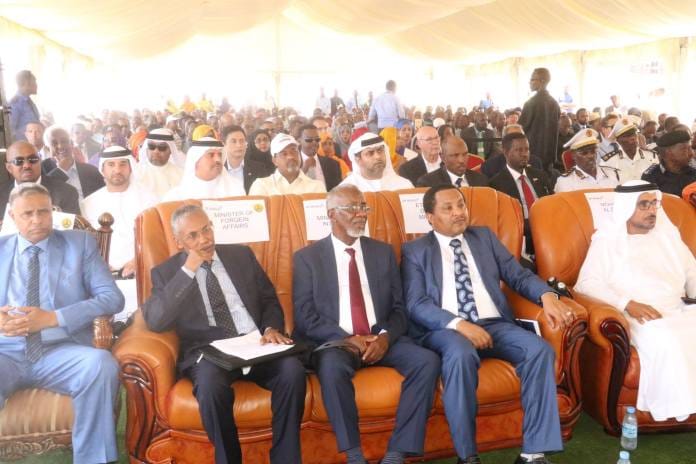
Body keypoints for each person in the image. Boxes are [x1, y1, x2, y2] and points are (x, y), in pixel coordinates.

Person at [401, 184, 573, 464]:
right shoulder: (415, 250)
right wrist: (459, 324)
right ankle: (468, 457)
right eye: (448, 208)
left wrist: (547, 296)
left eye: (461, 205)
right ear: (430, 217)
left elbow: (517, 275)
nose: (458, 212)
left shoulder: (484, 237)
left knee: (539, 350)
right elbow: (416, 303)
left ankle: (533, 454)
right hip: (446, 330)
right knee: (460, 354)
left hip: (493, 324)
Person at [142, 204, 305, 464]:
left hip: (256, 343)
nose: (204, 239)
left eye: (206, 229)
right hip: (211, 352)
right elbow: (156, 320)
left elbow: (268, 299)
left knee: (292, 371)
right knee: (209, 387)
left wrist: (270, 328)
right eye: (193, 235)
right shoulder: (167, 273)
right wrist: (188, 271)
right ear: (179, 242)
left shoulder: (241, 255)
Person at [292, 184, 440, 464]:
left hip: (378, 337)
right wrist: (347, 339)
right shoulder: (307, 258)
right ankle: (354, 455)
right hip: (336, 342)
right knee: (331, 368)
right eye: (352, 208)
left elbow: (399, 308)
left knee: (427, 361)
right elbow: (305, 315)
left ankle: (397, 453)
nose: (361, 214)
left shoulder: (382, 252)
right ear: (331, 214)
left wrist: (384, 337)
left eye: (363, 207)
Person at [0, 182, 123, 463]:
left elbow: (112, 298)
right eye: (27, 213)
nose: (37, 220)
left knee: (101, 365)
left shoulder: (79, 244)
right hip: (6, 352)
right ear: (12, 215)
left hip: (61, 350)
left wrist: (54, 318)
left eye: (43, 212)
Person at [574, 181, 696, 421]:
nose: (652, 210)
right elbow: (586, 284)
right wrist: (627, 303)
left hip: (678, 308)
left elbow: (692, 272)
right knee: (666, 338)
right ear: (626, 208)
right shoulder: (607, 241)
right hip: (638, 316)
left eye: (654, 204)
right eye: (644, 205)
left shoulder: (668, 235)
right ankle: (678, 405)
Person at [82, 146, 157, 277]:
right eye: (111, 165)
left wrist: (138, 260)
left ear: (130, 168)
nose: (117, 170)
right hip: (101, 274)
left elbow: (155, 237)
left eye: (123, 164)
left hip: (142, 271)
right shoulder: (87, 204)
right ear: (102, 169)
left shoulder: (150, 199)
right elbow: (84, 242)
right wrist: (97, 262)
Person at [489, 133, 554, 258]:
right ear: (506, 152)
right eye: (519, 150)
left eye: (527, 149)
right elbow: (505, 223)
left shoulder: (540, 176)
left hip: (549, 234)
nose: (525, 154)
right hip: (521, 242)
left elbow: (553, 205)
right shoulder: (496, 185)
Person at [0, 141, 80, 219]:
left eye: (32, 159)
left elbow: (72, 227)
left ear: (40, 161)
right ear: (9, 168)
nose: (27, 165)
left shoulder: (66, 192)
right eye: (19, 161)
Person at [164, 137, 246, 201]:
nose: (218, 159)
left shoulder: (236, 189)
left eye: (220, 155)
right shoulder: (176, 197)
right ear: (196, 160)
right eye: (211, 155)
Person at [249, 133, 326, 195]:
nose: (290, 157)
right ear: (274, 160)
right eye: (284, 154)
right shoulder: (261, 186)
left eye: (294, 151)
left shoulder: (317, 187)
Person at [43, 126, 105, 200]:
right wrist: (61, 170)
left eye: (64, 141)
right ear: (47, 148)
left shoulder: (91, 170)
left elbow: (103, 196)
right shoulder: (42, 168)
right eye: (54, 143)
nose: (60, 146)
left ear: (71, 144)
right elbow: (43, 192)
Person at [519, 68, 560, 171]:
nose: (530, 82)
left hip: (532, 156)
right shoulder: (554, 103)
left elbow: (520, 130)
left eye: (532, 79)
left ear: (542, 81)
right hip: (550, 157)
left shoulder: (531, 103)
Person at [341, 133, 413, 192]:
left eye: (380, 150)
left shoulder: (405, 186)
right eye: (370, 153)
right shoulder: (346, 190)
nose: (378, 156)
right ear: (358, 160)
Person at [554, 129, 620, 192]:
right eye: (584, 153)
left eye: (593, 151)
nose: (590, 156)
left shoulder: (612, 173)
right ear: (573, 155)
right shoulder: (565, 182)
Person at [601, 117, 659, 182]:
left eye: (634, 134)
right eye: (627, 136)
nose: (633, 138)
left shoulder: (652, 156)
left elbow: (657, 181)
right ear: (618, 140)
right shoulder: (609, 162)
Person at [416, 136, 488, 188]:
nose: (461, 160)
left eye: (465, 154)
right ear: (442, 157)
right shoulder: (428, 183)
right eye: (455, 155)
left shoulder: (481, 180)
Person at [219, 126, 273, 194]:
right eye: (233, 141)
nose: (239, 145)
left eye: (242, 141)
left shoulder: (259, 169)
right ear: (224, 144)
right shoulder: (218, 170)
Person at [642, 130, 696, 196]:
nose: (691, 153)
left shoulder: (693, 173)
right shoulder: (651, 177)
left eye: (690, 148)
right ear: (669, 153)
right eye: (684, 149)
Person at [135, 128, 185, 198]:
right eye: (151, 147)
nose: (156, 151)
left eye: (162, 148)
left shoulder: (181, 175)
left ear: (171, 150)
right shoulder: (136, 173)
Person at [298, 124, 342, 191]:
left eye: (317, 139)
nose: (314, 143)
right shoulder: (292, 164)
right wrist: (303, 170)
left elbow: (337, 191)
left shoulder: (332, 164)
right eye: (309, 140)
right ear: (299, 141)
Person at [9, 70, 40, 142]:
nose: (36, 85)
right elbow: (10, 131)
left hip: (32, 144)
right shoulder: (15, 103)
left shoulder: (29, 102)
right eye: (34, 82)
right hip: (22, 145)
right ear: (26, 83)